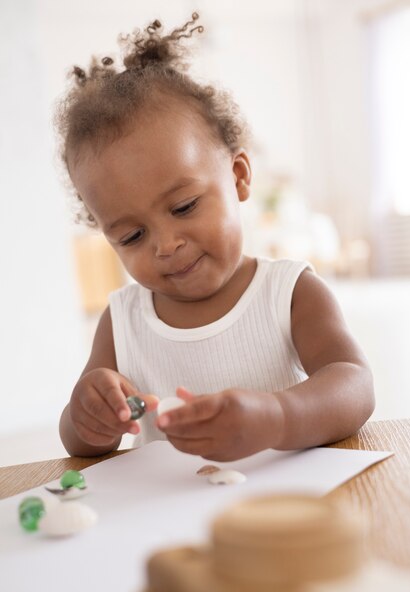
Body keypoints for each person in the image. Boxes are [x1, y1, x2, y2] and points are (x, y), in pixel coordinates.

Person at [58, 13, 375, 460]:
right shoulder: (122, 322)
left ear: (239, 177)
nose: (166, 245)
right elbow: (82, 443)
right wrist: (86, 414)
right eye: (131, 236)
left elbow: (355, 385)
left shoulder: (289, 293)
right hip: (172, 522)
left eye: (184, 207)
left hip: (284, 508)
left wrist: (279, 416)